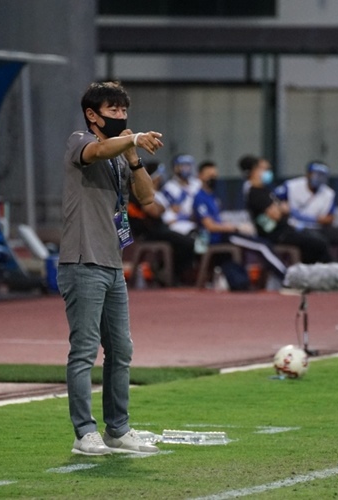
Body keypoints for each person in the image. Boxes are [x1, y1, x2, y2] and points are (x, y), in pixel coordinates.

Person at [57, 81, 163, 456]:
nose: (121, 116)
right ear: (92, 114)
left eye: (123, 111)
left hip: (112, 264)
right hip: (83, 260)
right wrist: (132, 140)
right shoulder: (78, 141)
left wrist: (134, 156)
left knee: (121, 349)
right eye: (113, 110)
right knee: (84, 350)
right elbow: (98, 149)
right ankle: (84, 432)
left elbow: (147, 198)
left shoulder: (122, 154)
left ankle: (117, 430)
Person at [193, 161, 288, 284]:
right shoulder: (200, 197)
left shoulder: (212, 196)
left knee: (262, 244)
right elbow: (210, 226)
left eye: (215, 175)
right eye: (209, 175)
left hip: (225, 234)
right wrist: (235, 227)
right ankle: (286, 278)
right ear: (200, 176)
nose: (213, 178)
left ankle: (279, 276)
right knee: (261, 246)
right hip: (215, 238)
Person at [242, 156, 332, 264]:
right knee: (317, 243)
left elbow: (281, 209)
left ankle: (327, 272)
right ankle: (311, 274)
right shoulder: (254, 193)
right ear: (255, 171)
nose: (268, 172)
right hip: (275, 235)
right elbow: (275, 215)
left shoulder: (266, 190)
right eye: (265, 169)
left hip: (286, 229)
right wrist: (281, 208)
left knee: (319, 240)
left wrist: (280, 209)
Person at [127, 161, 196, 285]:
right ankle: (169, 273)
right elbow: (154, 211)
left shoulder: (155, 193)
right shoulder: (138, 191)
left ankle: (166, 271)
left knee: (189, 241)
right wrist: (160, 208)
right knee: (187, 243)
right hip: (149, 232)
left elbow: (161, 208)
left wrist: (160, 208)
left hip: (160, 228)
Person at [273, 161, 338, 262]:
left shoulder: (329, 193)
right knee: (316, 242)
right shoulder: (291, 186)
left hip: (317, 227)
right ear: (308, 174)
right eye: (316, 174)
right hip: (294, 227)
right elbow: (273, 198)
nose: (319, 178)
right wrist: (282, 207)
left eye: (323, 175)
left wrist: (312, 219)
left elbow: (329, 219)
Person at [160, 154, 201, 236]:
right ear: (175, 168)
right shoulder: (168, 187)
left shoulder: (198, 184)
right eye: (182, 165)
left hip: (199, 219)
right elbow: (173, 209)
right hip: (180, 222)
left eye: (188, 165)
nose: (186, 168)